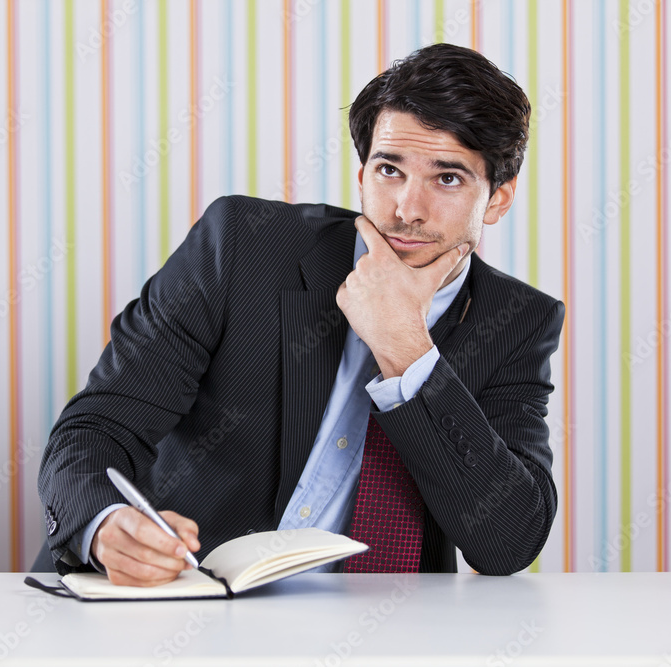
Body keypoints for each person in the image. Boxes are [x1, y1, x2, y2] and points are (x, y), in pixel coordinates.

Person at [35, 43, 564, 585]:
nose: (407, 209)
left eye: (447, 178)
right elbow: (97, 426)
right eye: (389, 170)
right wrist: (104, 526)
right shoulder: (242, 246)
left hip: (386, 626)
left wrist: (407, 350)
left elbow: (507, 543)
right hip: (178, 598)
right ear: (362, 176)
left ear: (498, 198)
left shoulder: (516, 321)